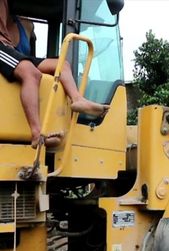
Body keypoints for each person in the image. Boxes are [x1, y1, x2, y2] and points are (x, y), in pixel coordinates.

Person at [0, 0, 109, 148]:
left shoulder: (25, 24)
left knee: (62, 65)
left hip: (12, 51)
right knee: (31, 73)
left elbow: (29, 53)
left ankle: (77, 99)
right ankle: (37, 134)